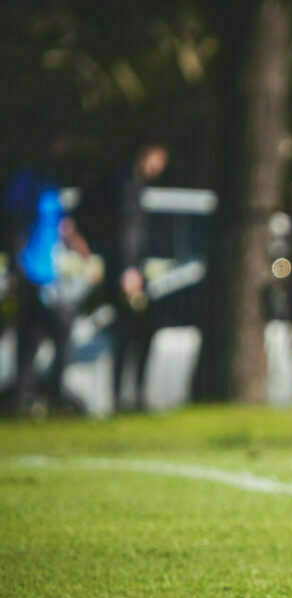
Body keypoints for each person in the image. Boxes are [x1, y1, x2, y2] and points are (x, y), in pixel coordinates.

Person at [2, 135, 92, 415]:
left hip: (48, 275)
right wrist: (17, 266)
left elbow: (62, 225)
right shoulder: (25, 183)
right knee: (57, 327)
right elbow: (13, 224)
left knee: (33, 339)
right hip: (30, 273)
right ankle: (47, 394)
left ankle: (23, 397)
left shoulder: (52, 186)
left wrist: (82, 251)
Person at [102, 143, 168, 412]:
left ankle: (131, 393)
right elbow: (127, 231)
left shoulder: (134, 184)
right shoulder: (127, 185)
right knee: (128, 333)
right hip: (127, 273)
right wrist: (129, 269)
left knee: (137, 332)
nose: (160, 168)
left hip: (131, 270)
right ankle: (122, 396)